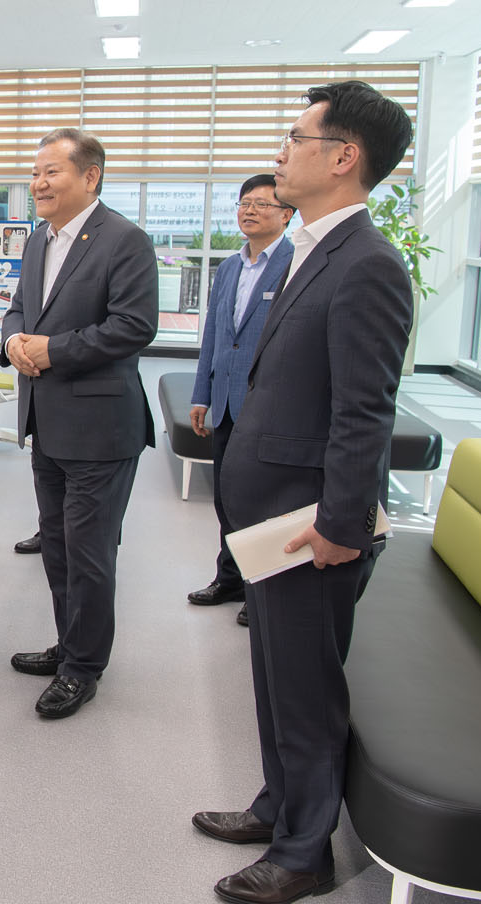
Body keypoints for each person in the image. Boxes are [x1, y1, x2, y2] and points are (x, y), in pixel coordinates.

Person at [193, 81, 414, 904]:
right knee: (276, 676)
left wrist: (340, 526)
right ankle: (277, 805)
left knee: (308, 691)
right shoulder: (312, 249)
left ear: (344, 156)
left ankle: (302, 853)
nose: (280, 153)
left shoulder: (368, 264)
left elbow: (365, 411)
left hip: (311, 524)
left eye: (296, 138)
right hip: (272, 515)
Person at [0, 127, 158, 719]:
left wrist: (51, 351)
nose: (38, 183)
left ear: (90, 176)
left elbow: (134, 326)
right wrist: (13, 339)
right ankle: (71, 645)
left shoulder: (125, 240)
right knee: (59, 548)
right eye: (35, 172)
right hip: (48, 422)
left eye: (51, 171)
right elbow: (20, 307)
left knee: (89, 554)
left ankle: (83, 668)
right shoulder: (39, 240)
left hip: (100, 427)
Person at [186, 174, 295, 626]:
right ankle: (229, 578)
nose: (249, 211)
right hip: (226, 402)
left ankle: (260, 588)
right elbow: (214, 334)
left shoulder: (295, 264)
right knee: (227, 497)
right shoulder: (230, 267)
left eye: (261, 204)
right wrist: (201, 394)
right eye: (244, 203)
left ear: (287, 214)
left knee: (263, 503)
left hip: (267, 406)